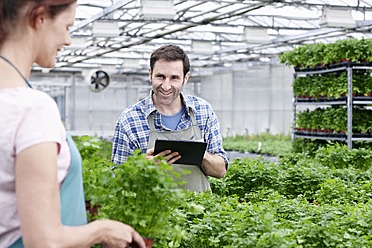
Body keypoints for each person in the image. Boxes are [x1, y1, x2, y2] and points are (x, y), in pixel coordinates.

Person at [0, 1, 145, 247]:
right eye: (67, 26)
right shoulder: (32, 108)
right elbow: (45, 242)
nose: (68, 40)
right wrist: (102, 230)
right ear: (40, 17)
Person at [112, 44, 228, 192]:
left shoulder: (203, 111)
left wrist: (200, 154)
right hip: (153, 213)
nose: (166, 86)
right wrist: (140, 168)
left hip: (201, 212)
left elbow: (221, 171)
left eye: (174, 78)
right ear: (150, 74)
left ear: (185, 78)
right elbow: (116, 179)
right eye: (160, 76)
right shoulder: (129, 120)